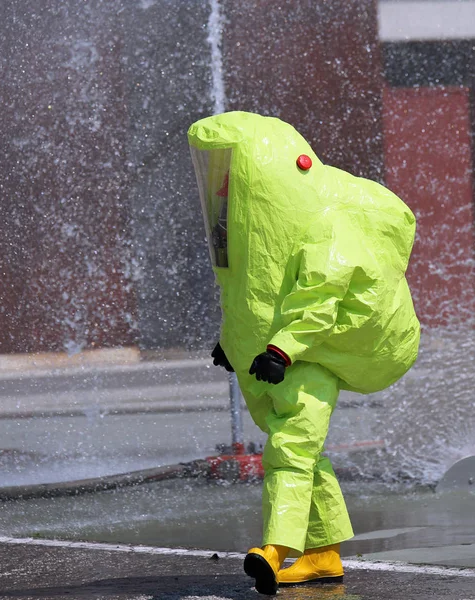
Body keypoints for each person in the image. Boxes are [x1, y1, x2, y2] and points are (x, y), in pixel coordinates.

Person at [188, 111, 420, 595]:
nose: (221, 184)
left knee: (290, 454)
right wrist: (231, 343)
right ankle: (323, 555)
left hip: (310, 357)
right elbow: (247, 294)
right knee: (307, 457)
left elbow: (320, 300)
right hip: (282, 358)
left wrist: (281, 349)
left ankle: (276, 550)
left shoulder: (323, 224)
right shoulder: (249, 229)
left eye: (229, 170)